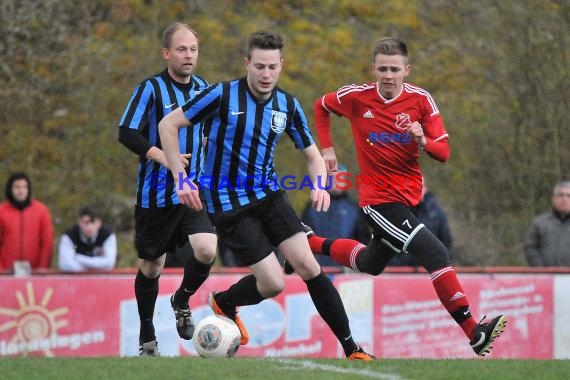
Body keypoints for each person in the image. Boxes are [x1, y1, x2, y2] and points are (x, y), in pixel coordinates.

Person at [159, 31, 374, 360]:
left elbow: (314, 156)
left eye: (272, 67)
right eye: (259, 66)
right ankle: (226, 302)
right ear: (247, 63)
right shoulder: (220, 95)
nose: (266, 74)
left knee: (307, 264)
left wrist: (318, 186)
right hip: (228, 206)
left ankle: (351, 348)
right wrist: (180, 178)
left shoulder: (286, 104)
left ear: (281, 65)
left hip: (270, 196)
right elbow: (168, 126)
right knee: (274, 283)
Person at [302, 37, 506, 356]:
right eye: (382, 68)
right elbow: (321, 106)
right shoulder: (356, 96)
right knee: (437, 254)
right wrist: (326, 149)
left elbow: (444, 152)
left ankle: (307, 243)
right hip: (377, 201)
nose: (387, 75)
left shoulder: (422, 101)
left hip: (407, 199)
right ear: (374, 69)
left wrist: (422, 139)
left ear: (406, 70)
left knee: (370, 263)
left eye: (394, 69)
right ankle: (474, 332)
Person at [118, 22, 218, 357]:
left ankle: (182, 300)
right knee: (151, 267)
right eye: (181, 49)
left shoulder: (204, 88)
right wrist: (166, 158)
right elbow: (127, 133)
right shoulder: (150, 89)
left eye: (193, 49)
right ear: (166, 53)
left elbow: (211, 133)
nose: (189, 55)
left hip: (191, 191)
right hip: (154, 196)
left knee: (206, 249)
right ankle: (147, 337)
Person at [301, 164, 370, 269]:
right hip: (317, 270)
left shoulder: (354, 209)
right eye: (332, 177)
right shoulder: (313, 206)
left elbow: (364, 241)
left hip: (346, 272)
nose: (336, 181)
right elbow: (302, 238)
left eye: (341, 178)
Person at [388, 175, 452, 266]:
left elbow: (446, 246)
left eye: (419, 186)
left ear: (425, 188)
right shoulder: (396, 213)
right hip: (400, 273)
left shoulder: (437, 215)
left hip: (429, 272)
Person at [0, 172, 54, 271]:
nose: (21, 191)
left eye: (24, 187)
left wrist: (43, 267)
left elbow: (47, 242)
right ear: (10, 189)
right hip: (6, 272)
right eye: (17, 187)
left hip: (35, 272)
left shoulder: (41, 211)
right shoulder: (2, 211)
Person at [524, 180, 570, 266]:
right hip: (546, 276)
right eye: (561, 195)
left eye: (568, 196)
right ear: (553, 199)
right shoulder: (539, 223)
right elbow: (530, 247)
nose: (564, 199)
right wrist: (540, 269)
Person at [58, 206, 117, 272]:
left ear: (99, 223)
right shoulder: (72, 237)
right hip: (77, 279)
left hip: (100, 278)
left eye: (93, 222)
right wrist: (97, 266)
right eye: (86, 222)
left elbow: (109, 264)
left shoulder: (106, 235)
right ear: (79, 222)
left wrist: (79, 258)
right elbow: (66, 265)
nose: (89, 227)